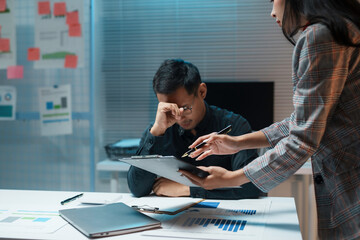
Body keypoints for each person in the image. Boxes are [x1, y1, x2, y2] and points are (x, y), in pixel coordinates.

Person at [179, 0, 360, 239]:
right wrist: (236, 142)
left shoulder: (321, 36)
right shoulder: (344, 28)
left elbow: (302, 139)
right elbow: (301, 121)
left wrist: (232, 179)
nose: (272, 11)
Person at [127, 59, 263, 200]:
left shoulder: (233, 125)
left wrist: (188, 189)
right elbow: (137, 189)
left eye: (185, 108)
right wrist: (156, 132)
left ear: (202, 91)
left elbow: (251, 187)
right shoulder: (158, 131)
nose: (179, 118)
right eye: (170, 110)